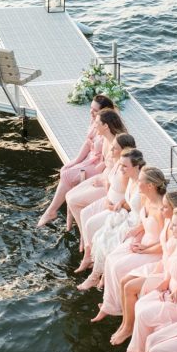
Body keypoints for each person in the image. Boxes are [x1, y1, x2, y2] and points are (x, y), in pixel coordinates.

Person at [108, 188, 177, 347]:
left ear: (175, 209)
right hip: (162, 266)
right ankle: (125, 322)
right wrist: (144, 248)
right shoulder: (169, 222)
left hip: (167, 272)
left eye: (166, 207)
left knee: (129, 287)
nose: (162, 210)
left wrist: (167, 281)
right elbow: (162, 246)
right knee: (124, 281)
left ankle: (128, 328)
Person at [119, 206, 177, 352]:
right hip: (170, 289)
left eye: (175, 225)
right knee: (141, 304)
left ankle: (136, 351)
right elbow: (171, 263)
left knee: (143, 314)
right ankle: (134, 339)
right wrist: (166, 281)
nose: (171, 227)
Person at [90, 167, 167, 323]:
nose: (137, 183)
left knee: (119, 267)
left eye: (140, 181)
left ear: (150, 186)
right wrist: (136, 231)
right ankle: (109, 305)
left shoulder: (161, 210)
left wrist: (145, 250)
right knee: (111, 258)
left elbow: (165, 242)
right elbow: (144, 222)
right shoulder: (146, 198)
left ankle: (118, 308)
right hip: (142, 242)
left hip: (155, 251)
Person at [37, 94, 115, 228]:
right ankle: (63, 215)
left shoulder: (109, 131)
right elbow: (87, 143)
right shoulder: (95, 121)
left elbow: (108, 161)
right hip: (90, 158)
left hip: (98, 165)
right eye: (91, 108)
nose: (91, 112)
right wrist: (75, 161)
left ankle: (52, 211)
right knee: (65, 170)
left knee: (67, 175)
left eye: (95, 110)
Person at [77, 147, 145, 291]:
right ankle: (97, 274)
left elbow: (148, 211)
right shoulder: (132, 180)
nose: (121, 168)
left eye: (125, 166)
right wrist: (121, 203)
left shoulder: (142, 185)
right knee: (101, 236)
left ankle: (96, 277)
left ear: (136, 166)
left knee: (108, 241)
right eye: (120, 164)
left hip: (137, 223)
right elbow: (132, 202)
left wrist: (137, 230)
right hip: (128, 215)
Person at [77, 133, 137, 270]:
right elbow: (110, 182)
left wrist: (114, 205)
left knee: (91, 224)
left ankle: (95, 261)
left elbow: (129, 199)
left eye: (114, 148)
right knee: (84, 214)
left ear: (124, 150)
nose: (111, 150)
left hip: (118, 209)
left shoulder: (126, 172)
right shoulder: (117, 164)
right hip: (108, 201)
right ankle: (88, 253)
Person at [66, 109, 128, 239]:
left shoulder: (117, 145)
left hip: (110, 185)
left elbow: (119, 173)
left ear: (106, 126)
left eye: (97, 123)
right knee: (69, 195)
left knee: (73, 201)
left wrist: (104, 182)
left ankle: (85, 238)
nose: (94, 125)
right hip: (103, 177)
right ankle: (84, 234)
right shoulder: (105, 139)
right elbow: (105, 161)